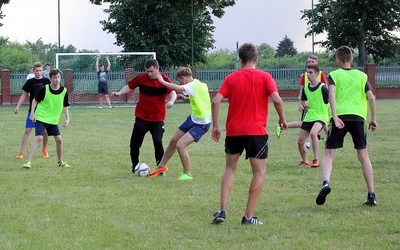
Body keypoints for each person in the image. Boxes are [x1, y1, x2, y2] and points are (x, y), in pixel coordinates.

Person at [211, 43, 287, 225]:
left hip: (234, 131)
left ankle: (222, 210)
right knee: (259, 173)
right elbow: (276, 98)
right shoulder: (265, 77)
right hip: (256, 133)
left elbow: (215, 101)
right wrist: (282, 118)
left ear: (240, 60)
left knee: (230, 169)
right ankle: (248, 217)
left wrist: (216, 126)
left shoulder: (231, 78)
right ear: (256, 59)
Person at [315, 46, 378, 206]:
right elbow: (371, 98)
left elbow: (331, 94)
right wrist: (373, 119)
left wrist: (335, 117)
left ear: (337, 60)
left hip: (340, 116)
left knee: (329, 153)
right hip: (358, 117)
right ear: (351, 59)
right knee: (363, 155)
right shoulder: (362, 76)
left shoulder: (333, 75)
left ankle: (326, 183)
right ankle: (371, 195)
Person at [111, 59, 177, 175]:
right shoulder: (142, 78)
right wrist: (120, 93)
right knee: (134, 144)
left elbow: (173, 92)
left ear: (157, 68)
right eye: (147, 71)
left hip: (157, 119)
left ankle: (160, 168)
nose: (149, 74)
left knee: (158, 142)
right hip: (142, 117)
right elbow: (129, 86)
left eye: (151, 71)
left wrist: (171, 101)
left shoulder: (165, 80)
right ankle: (135, 166)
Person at [149, 67, 211, 180]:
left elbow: (177, 88)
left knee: (180, 145)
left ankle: (187, 174)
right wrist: (185, 98)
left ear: (183, 78)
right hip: (193, 119)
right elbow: (199, 98)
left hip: (202, 123)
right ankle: (161, 166)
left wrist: (162, 81)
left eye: (179, 80)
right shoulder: (200, 84)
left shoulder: (192, 86)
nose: (179, 82)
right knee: (173, 141)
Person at [23, 68, 71, 169]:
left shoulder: (64, 91)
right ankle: (28, 162)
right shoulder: (45, 89)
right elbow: (35, 100)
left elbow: (65, 105)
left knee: (59, 139)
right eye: (54, 78)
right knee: (39, 137)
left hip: (53, 120)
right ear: (50, 78)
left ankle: (60, 162)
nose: (57, 79)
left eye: (58, 77)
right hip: (41, 116)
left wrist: (67, 118)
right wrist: (32, 113)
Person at [276, 55, 328, 146]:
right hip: (308, 105)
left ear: (317, 63)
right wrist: (300, 103)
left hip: (319, 105)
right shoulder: (305, 75)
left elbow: (325, 88)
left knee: (320, 122)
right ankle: (308, 142)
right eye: (308, 62)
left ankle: (324, 138)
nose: (309, 63)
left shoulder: (321, 74)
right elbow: (302, 88)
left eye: (312, 62)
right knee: (307, 124)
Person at [14, 62, 51, 159]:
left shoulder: (47, 81)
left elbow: (51, 94)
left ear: (42, 71)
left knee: (45, 132)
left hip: (43, 111)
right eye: (36, 71)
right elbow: (24, 95)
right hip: (32, 111)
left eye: (40, 71)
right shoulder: (30, 82)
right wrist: (18, 106)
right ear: (33, 71)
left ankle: (44, 150)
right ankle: (21, 152)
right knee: (27, 130)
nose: (38, 73)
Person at [297, 64, 329, 168]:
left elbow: (331, 100)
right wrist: (303, 106)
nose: (308, 74)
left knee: (313, 133)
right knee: (300, 141)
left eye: (310, 72)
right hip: (309, 116)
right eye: (307, 72)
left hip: (321, 116)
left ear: (317, 74)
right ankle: (305, 160)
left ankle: (316, 160)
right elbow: (303, 102)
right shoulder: (306, 88)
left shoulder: (323, 88)